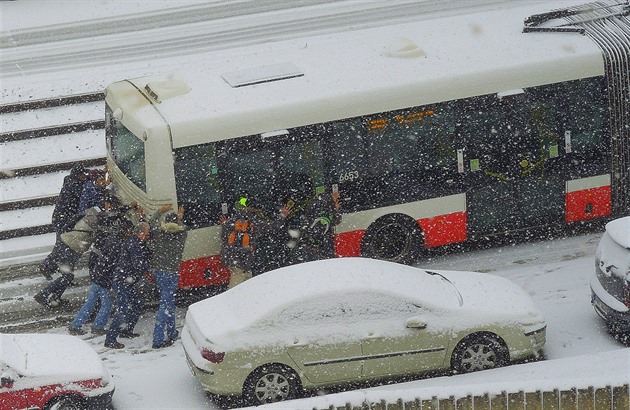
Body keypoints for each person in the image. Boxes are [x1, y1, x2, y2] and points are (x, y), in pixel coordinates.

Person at [68, 217, 131, 336]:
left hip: (98, 275)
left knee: (90, 303)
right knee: (106, 305)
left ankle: (75, 324)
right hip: (104, 279)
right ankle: (97, 326)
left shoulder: (111, 239)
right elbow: (113, 264)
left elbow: (105, 259)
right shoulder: (118, 245)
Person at [34, 206, 102, 308]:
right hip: (70, 247)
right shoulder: (96, 219)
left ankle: (54, 298)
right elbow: (104, 224)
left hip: (66, 242)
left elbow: (71, 221)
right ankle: (44, 294)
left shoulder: (90, 213)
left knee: (67, 275)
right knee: (68, 276)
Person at [220, 195, 289, 289]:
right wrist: (282, 216)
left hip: (232, 258)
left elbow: (224, 237)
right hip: (242, 261)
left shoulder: (233, 220)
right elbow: (273, 227)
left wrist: (224, 225)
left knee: (246, 281)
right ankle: (231, 301)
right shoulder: (254, 222)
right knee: (235, 289)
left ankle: (247, 299)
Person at [104, 222, 151, 349]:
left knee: (138, 304)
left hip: (127, 280)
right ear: (140, 233)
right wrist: (150, 265)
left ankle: (126, 330)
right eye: (146, 234)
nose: (147, 236)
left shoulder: (135, 242)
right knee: (122, 310)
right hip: (122, 281)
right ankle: (110, 339)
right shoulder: (134, 244)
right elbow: (138, 264)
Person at [147, 204, 187, 349]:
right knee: (165, 306)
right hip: (171, 274)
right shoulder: (181, 236)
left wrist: (159, 211)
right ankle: (157, 340)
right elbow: (183, 228)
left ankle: (171, 333)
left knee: (169, 303)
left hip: (158, 272)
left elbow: (150, 224)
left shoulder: (159, 233)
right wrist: (180, 218)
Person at [40, 166, 90, 279]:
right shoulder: (75, 185)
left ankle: (61, 271)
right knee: (62, 245)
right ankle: (47, 266)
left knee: (64, 245)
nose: (85, 176)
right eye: (83, 174)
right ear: (78, 175)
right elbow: (80, 192)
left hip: (61, 218)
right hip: (63, 220)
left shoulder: (71, 181)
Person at [284, 177, 342, 264]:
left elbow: (336, 220)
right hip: (313, 246)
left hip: (324, 245)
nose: (337, 196)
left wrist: (335, 209)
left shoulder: (327, 208)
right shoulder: (313, 206)